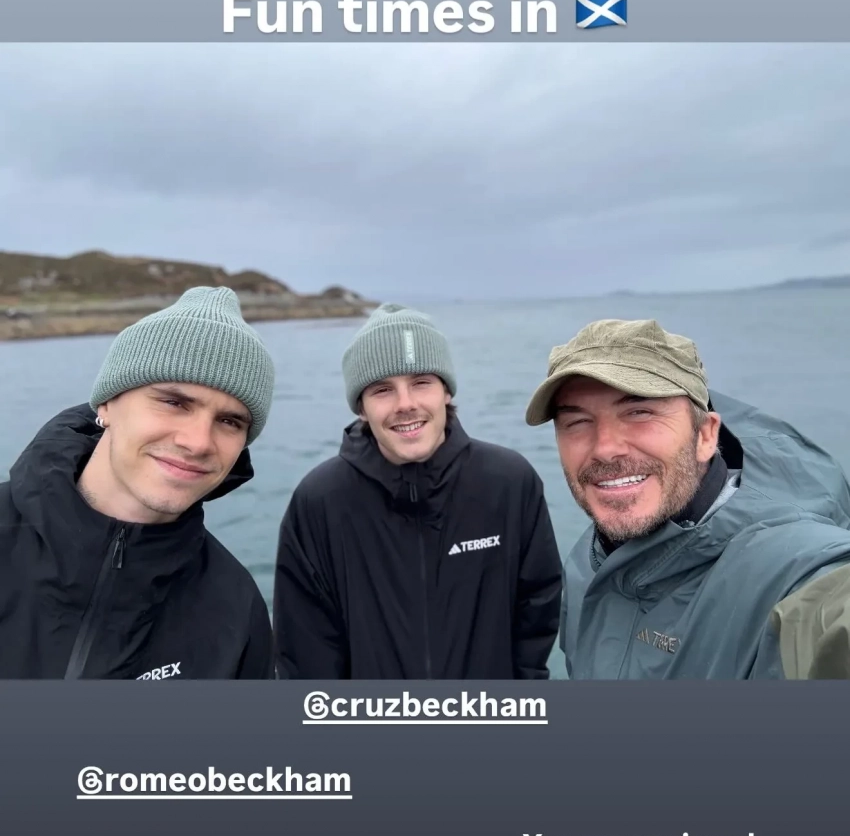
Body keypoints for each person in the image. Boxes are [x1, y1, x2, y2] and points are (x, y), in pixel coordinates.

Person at [525, 318, 850, 680]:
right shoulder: (588, 564)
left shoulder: (791, 574)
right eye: (577, 422)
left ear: (706, 435)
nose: (605, 448)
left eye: (639, 413)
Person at [274, 303, 562, 679]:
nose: (406, 404)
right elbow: (305, 652)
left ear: (446, 391)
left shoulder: (509, 482)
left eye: (421, 382)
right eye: (382, 390)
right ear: (361, 408)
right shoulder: (319, 501)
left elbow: (538, 610)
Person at [0, 286, 276, 679]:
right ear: (107, 403)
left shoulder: (236, 607)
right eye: (174, 402)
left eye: (230, 421)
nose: (198, 442)